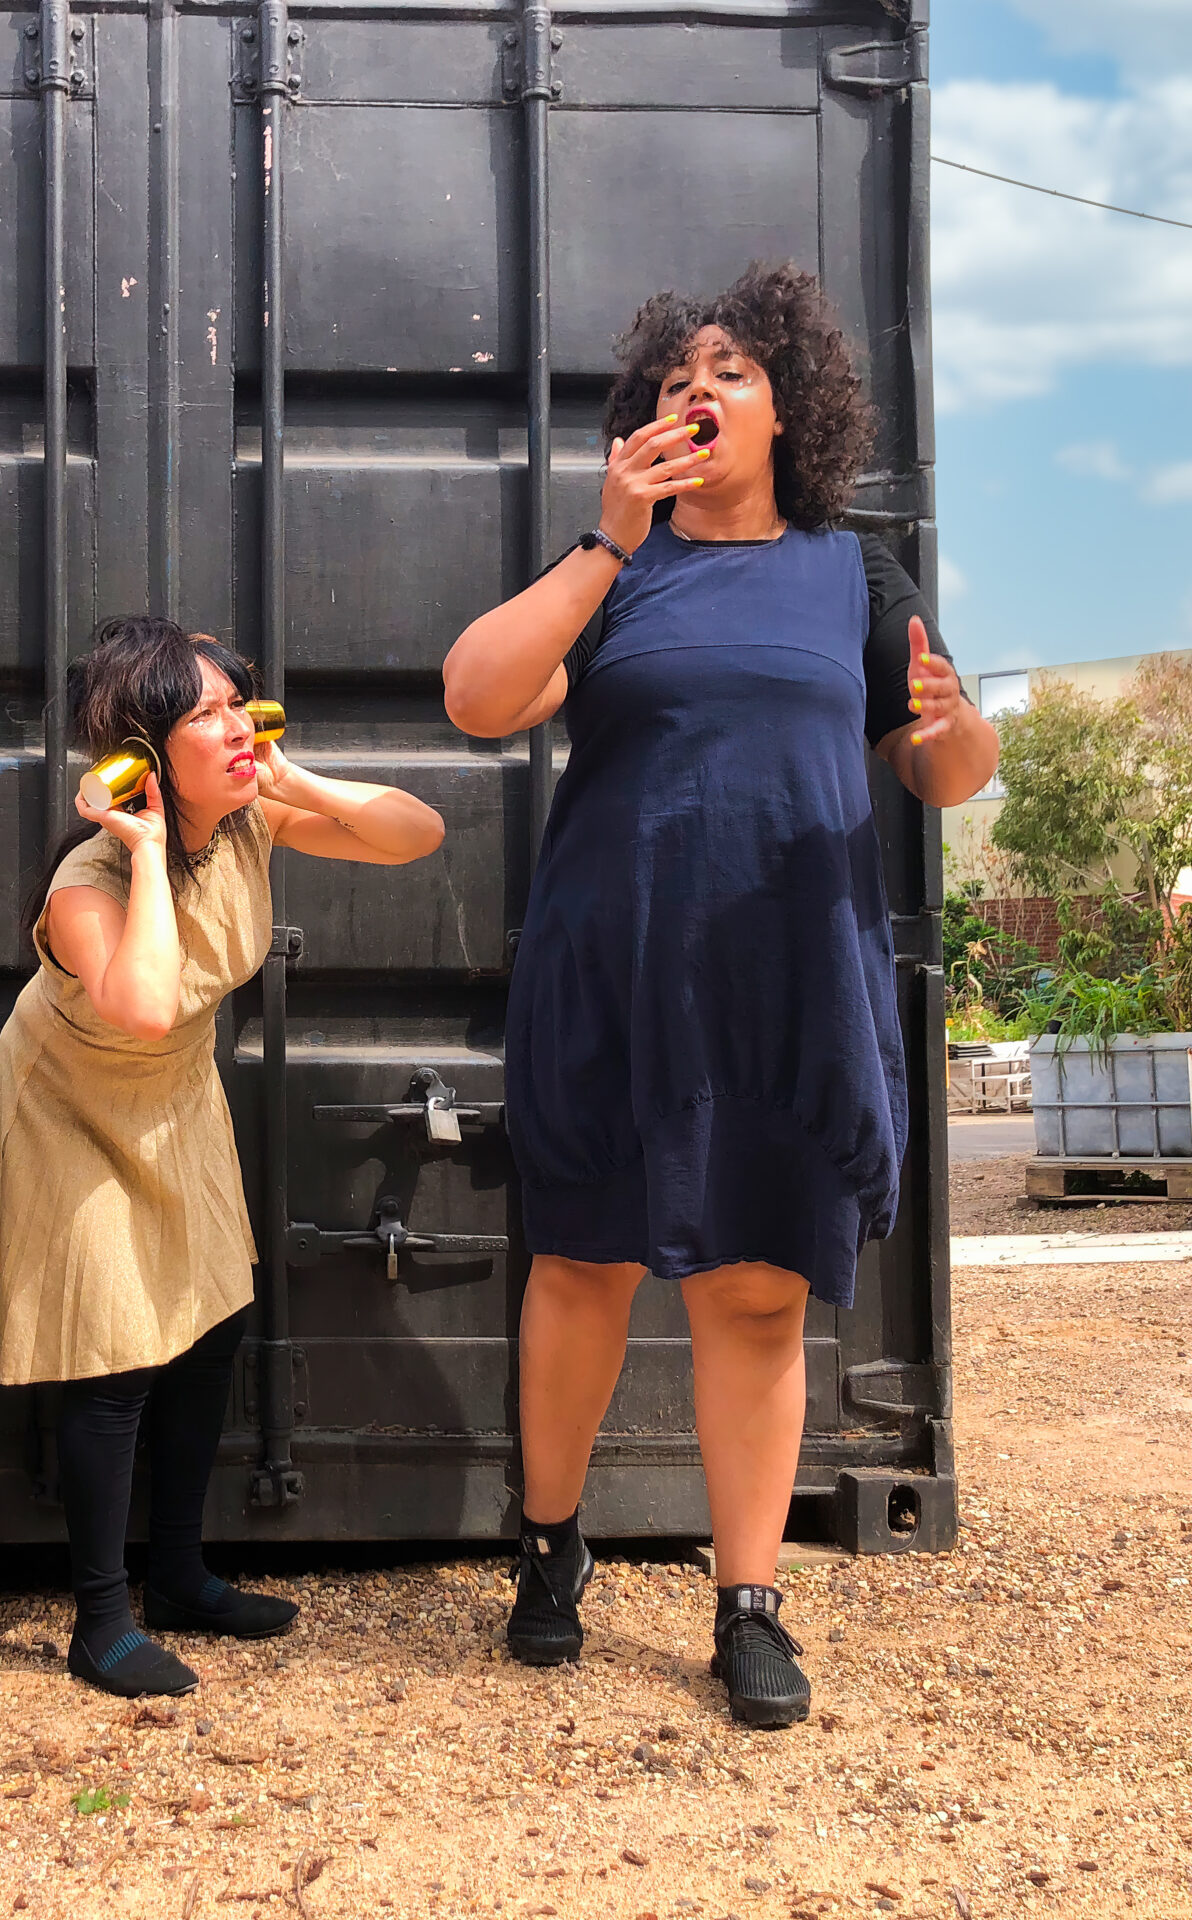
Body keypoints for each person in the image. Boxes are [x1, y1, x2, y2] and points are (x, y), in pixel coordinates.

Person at [439, 263, 1000, 1728]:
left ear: (792, 410)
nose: (705, 385)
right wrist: (603, 544)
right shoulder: (616, 568)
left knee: (755, 1297)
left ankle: (746, 1601)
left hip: (785, 983)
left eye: (738, 370)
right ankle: (550, 1550)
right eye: (683, 369)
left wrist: (957, 725)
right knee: (585, 1269)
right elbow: (477, 697)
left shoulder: (854, 575)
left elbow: (941, 768)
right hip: (612, 971)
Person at [0, 616, 446, 1697]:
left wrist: (288, 771)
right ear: (143, 754)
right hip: (68, 1107)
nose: (235, 726)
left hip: (173, 1099)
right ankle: (100, 1618)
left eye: (237, 703)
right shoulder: (90, 881)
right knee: (113, 1360)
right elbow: (148, 1002)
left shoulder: (255, 817)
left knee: (211, 1327)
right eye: (206, 714)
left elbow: (416, 834)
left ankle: (178, 1574)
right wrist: (149, 849)